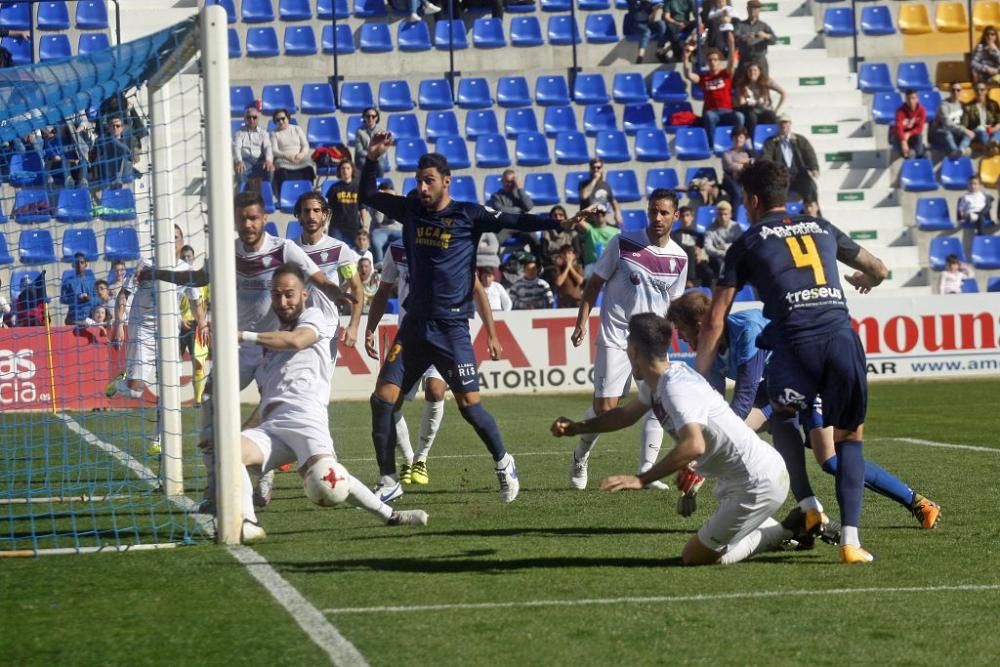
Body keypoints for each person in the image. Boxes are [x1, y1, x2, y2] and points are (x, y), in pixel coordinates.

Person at [358, 131, 589, 503]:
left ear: (446, 182)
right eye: (418, 181)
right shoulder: (411, 209)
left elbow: (517, 218)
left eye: (428, 181)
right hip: (414, 326)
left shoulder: (469, 215)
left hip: (451, 329)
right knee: (382, 400)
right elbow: (367, 196)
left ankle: (503, 462)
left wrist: (558, 224)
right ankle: (389, 481)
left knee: (469, 406)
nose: (421, 187)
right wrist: (371, 159)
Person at [695, 159, 890, 564]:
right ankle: (851, 542)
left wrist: (698, 380)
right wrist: (870, 281)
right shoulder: (822, 227)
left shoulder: (747, 242)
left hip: (795, 342)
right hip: (841, 338)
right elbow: (878, 268)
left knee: (781, 413)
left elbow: (715, 319)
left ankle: (808, 503)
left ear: (751, 200)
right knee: (850, 437)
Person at [552, 312, 814, 566]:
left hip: (757, 482)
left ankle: (789, 529)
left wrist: (641, 479)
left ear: (633, 351)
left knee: (694, 557)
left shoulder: (675, 388)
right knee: (709, 545)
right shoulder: (661, 380)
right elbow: (624, 416)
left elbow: (694, 444)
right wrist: (577, 427)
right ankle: (786, 524)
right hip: (744, 478)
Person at [150, 190, 355, 511]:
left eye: (254, 218)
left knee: (271, 411)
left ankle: (263, 479)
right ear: (235, 220)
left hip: (275, 348)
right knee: (211, 401)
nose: (248, 224)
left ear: (264, 220)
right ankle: (213, 488)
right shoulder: (227, 252)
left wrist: (338, 293)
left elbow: (316, 278)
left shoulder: (284, 249)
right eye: (243, 218)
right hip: (241, 346)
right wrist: (159, 273)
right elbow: (200, 276)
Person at [669, 291, 941, 532]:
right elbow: (715, 408)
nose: (679, 337)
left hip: (813, 376)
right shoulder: (710, 348)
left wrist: (702, 458)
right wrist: (698, 460)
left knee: (831, 461)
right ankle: (809, 513)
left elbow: (743, 399)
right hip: (777, 388)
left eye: (681, 329)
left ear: (701, 324)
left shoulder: (747, 330)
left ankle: (918, 502)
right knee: (757, 435)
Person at [235, 263, 428, 542]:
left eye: (289, 294)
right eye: (277, 295)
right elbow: (270, 398)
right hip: (272, 427)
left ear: (304, 295)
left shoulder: (313, 317)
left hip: (307, 421)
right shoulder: (269, 342)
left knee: (331, 481)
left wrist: (240, 335)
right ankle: (248, 522)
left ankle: (392, 516)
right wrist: (245, 427)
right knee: (230, 452)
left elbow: (298, 341)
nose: (283, 301)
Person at [567, 189, 688, 491]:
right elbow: (595, 284)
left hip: (652, 340)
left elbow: (674, 304)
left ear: (676, 216)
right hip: (617, 334)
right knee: (606, 409)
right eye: (653, 211)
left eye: (663, 213)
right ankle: (580, 454)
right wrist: (582, 320)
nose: (657, 218)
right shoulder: (623, 242)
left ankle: (647, 469)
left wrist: (677, 333)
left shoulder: (680, 258)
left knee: (660, 399)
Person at [366, 240, 503, 490]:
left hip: (444, 335)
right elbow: (383, 290)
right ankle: (407, 459)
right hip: (410, 336)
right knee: (388, 402)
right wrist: (370, 328)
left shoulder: (449, 243)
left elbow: (476, 290)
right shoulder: (397, 249)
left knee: (436, 390)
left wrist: (492, 334)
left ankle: (421, 459)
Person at [683, 46, 743, 146]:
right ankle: (712, 145)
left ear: (719, 61)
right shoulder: (703, 77)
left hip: (727, 111)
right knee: (709, 116)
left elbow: (731, 64)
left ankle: (739, 142)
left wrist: (731, 45)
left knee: (740, 116)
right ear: (707, 62)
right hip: (712, 112)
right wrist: (685, 59)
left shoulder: (725, 74)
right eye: (710, 60)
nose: (712, 62)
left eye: (715, 60)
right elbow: (688, 75)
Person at [760, 113, 819, 203]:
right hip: (780, 177)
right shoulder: (770, 142)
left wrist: (814, 167)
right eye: (780, 123)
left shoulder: (800, 140)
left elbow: (809, 154)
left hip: (799, 175)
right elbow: (766, 157)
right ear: (777, 125)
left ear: (790, 124)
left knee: (811, 187)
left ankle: (813, 214)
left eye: (785, 122)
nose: (783, 125)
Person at [269, 108, 314, 200]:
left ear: (288, 118)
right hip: (283, 158)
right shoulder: (274, 133)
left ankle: (308, 194)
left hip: (299, 157)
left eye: (283, 118)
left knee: (309, 167)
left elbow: (305, 145)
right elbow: (274, 150)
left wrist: (301, 154)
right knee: (281, 170)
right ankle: (285, 196)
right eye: (278, 120)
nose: (281, 121)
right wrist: (287, 156)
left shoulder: (297, 129)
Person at [733, 62, 784, 139]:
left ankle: (775, 139)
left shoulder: (766, 81)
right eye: (750, 71)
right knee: (751, 116)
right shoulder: (743, 84)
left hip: (763, 110)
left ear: (760, 72)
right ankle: (753, 139)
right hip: (749, 110)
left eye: (755, 70)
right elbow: (742, 102)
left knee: (772, 115)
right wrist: (747, 100)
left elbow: (783, 93)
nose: (752, 73)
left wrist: (776, 109)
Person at [670, 205, 715, 286]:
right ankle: (689, 281)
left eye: (687, 215)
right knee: (691, 249)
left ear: (692, 217)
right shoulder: (674, 235)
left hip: (696, 261)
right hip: (682, 262)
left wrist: (700, 253)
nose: (685, 219)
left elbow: (704, 249)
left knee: (708, 272)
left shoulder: (699, 235)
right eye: (683, 216)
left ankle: (707, 294)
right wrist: (693, 249)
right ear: (679, 218)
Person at [232, 105, 274, 190]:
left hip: (260, 160)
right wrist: (239, 161)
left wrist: (268, 160)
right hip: (245, 160)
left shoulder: (263, 132)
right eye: (249, 117)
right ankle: (243, 194)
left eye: (254, 117)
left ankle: (266, 192)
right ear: (245, 119)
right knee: (240, 170)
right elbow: (237, 148)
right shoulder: (239, 132)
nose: (251, 120)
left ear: (258, 119)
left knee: (270, 169)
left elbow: (267, 147)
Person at [327, 159, 366, 243]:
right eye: (343, 168)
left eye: (348, 168)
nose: (345, 171)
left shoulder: (358, 187)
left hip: (354, 226)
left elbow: (362, 208)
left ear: (352, 170)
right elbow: (329, 209)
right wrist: (325, 225)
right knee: (336, 252)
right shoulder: (334, 188)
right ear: (339, 171)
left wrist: (365, 225)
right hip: (336, 227)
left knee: (353, 254)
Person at [932, 82, 976, 158]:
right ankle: (957, 151)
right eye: (953, 90)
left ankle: (959, 150)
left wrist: (967, 131)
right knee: (948, 133)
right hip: (941, 132)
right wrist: (964, 130)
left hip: (956, 132)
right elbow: (947, 123)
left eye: (958, 90)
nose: (955, 92)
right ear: (950, 91)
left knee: (969, 134)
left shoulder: (963, 105)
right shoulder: (944, 105)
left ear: (961, 91)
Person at [578, 158, 623, 228]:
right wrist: (594, 180)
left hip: (601, 221)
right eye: (593, 168)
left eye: (598, 168)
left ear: (602, 169)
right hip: (588, 222)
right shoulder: (584, 184)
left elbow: (614, 201)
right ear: (590, 169)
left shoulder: (606, 185)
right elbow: (584, 196)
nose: (596, 170)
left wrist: (617, 213)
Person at [734, 1, 777, 72]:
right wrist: (745, 36)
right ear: (747, 9)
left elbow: (774, 40)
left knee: (763, 82)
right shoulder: (740, 25)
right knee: (742, 82)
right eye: (751, 8)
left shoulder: (763, 25)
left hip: (760, 60)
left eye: (755, 8)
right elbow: (735, 38)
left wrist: (766, 35)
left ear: (759, 10)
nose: (753, 10)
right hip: (745, 59)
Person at [704, 200, 742, 277]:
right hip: (716, 259)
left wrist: (724, 247)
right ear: (716, 215)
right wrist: (723, 253)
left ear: (730, 215)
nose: (723, 217)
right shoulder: (710, 228)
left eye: (725, 214)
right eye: (720, 214)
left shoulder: (736, 227)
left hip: (733, 258)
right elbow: (708, 248)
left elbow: (739, 245)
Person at [369, 180, 403, 264]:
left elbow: (396, 217)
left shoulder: (399, 200)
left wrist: (396, 201)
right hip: (381, 230)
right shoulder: (375, 202)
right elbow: (379, 220)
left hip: (397, 230)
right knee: (375, 239)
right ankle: (379, 263)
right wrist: (380, 201)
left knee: (407, 239)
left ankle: (403, 264)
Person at [721, 126, 753, 208]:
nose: (738, 139)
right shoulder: (727, 153)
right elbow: (731, 166)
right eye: (736, 137)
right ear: (732, 139)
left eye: (741, 137)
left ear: (745, 139)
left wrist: (739, 162)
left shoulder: (749, 153)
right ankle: (735, 216)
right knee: (738, 193)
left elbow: (754, 164)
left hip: (746, 178)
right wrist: (746, 163)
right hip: (731, 179)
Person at [60, 253, 96, 325]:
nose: (79, 265)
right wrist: (77, 298)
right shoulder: (68, 281)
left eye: (82, 262)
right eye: (77, 263)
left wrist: (89, 299)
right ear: (73, 264)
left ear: (86, 264)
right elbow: (63, 299)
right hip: (73, 317)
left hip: (90, 316)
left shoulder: (92, 281)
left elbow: (98, 298)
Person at [962, 82, 1000, 148]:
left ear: (986, 91)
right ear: (974, 91)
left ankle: (993, 142)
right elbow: (964, 125)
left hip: (990, 130)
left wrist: (994, 128)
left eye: (982, 90)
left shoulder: (993, 104)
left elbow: (999, 121)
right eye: (977, 90)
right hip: (977, 130)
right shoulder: (968, 107)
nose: (979, 92)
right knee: (982, 132)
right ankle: (991, 146)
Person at [354, 107, 390, 176]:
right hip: (364, 157)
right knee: (366, 165)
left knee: (380, 165)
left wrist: (375, 155)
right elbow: (359, 151)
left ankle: (378, 183)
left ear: (376, 118)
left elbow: (383, 149)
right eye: (368, 116)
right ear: (364, 118)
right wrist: (371, 155)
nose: (370, 118)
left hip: (377, 157)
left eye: (373, 116)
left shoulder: (381, 131)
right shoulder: (359, 132)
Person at [892, 90, 927, 159]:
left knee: (919, 137)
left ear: (917, 99)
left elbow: (919, 128)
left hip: (913, 136)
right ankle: (915, 153)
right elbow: (899, 127)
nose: (911, 101)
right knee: (909, 154)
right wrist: (903, 141)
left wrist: (909, 133)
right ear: (905, 99)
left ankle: (916, 153)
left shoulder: (922, 110)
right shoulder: (900, 110)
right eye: (908, 99)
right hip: (900, 136)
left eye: (913, 98)